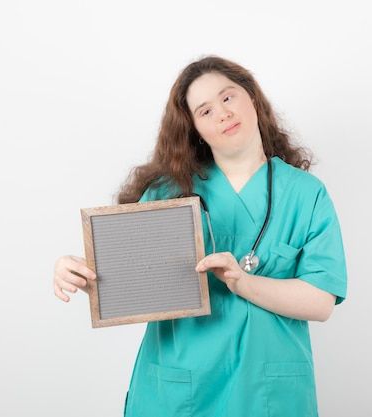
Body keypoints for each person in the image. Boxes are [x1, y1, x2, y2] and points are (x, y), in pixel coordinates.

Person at [53, 55, 348, 416]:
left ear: (252, 97)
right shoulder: (167, 193)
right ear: (194, 129)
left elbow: (320, 302)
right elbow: (135, 286)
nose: (222, 113)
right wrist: (84, 275)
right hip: (182, 389)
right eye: (205, 111)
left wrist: (243, 283)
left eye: (228, 97)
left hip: (267, 391)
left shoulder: (306, 194)